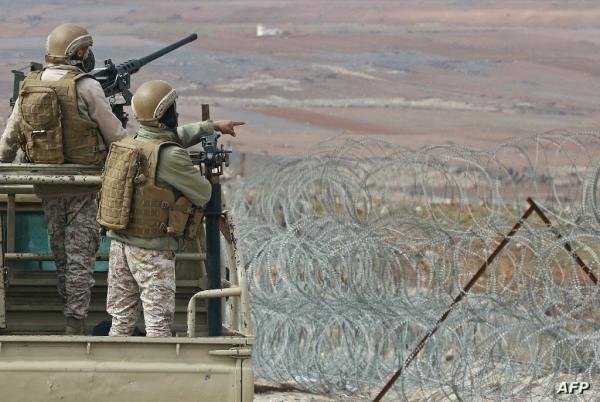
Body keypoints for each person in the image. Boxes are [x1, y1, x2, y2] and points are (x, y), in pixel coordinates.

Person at [0, 23, 127, 334]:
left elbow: (10, 137)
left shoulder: (30, 85)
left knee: (61, 254)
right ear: (78, 52)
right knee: (80, 258)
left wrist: (4, 163)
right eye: (86, 49)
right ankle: (75, 323)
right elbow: (116, 137)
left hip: (48, 185)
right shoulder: (87, 86)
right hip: (84, 186)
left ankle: (71, 315)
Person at [99, 80, 243, 337]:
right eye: (172, 110)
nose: (175, 115)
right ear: (164, 115)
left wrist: (209, 126)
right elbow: (203, 193)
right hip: (151, 251)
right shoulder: (171, 156)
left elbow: (168, 139)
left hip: (120, 245)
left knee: (120, 321)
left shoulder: (131, 143)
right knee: (158, 326)